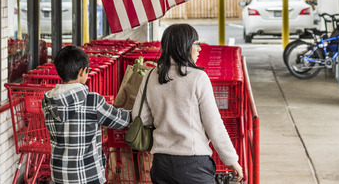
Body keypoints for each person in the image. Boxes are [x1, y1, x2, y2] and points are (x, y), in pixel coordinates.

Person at [133, 23, 244, 184]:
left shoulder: (151, 76)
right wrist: (232, 160)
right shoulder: (198, 78)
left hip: (160, 163)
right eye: (196, 44)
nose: (199, 49)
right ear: (184, 46)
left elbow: (140, 117)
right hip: (192, 164)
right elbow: (214, 125)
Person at [42, 45, 132, 184]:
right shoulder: (92, 101)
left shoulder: (48, 101)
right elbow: (121, 120)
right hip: (88, 175)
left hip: (60, 175)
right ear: (82, 72)